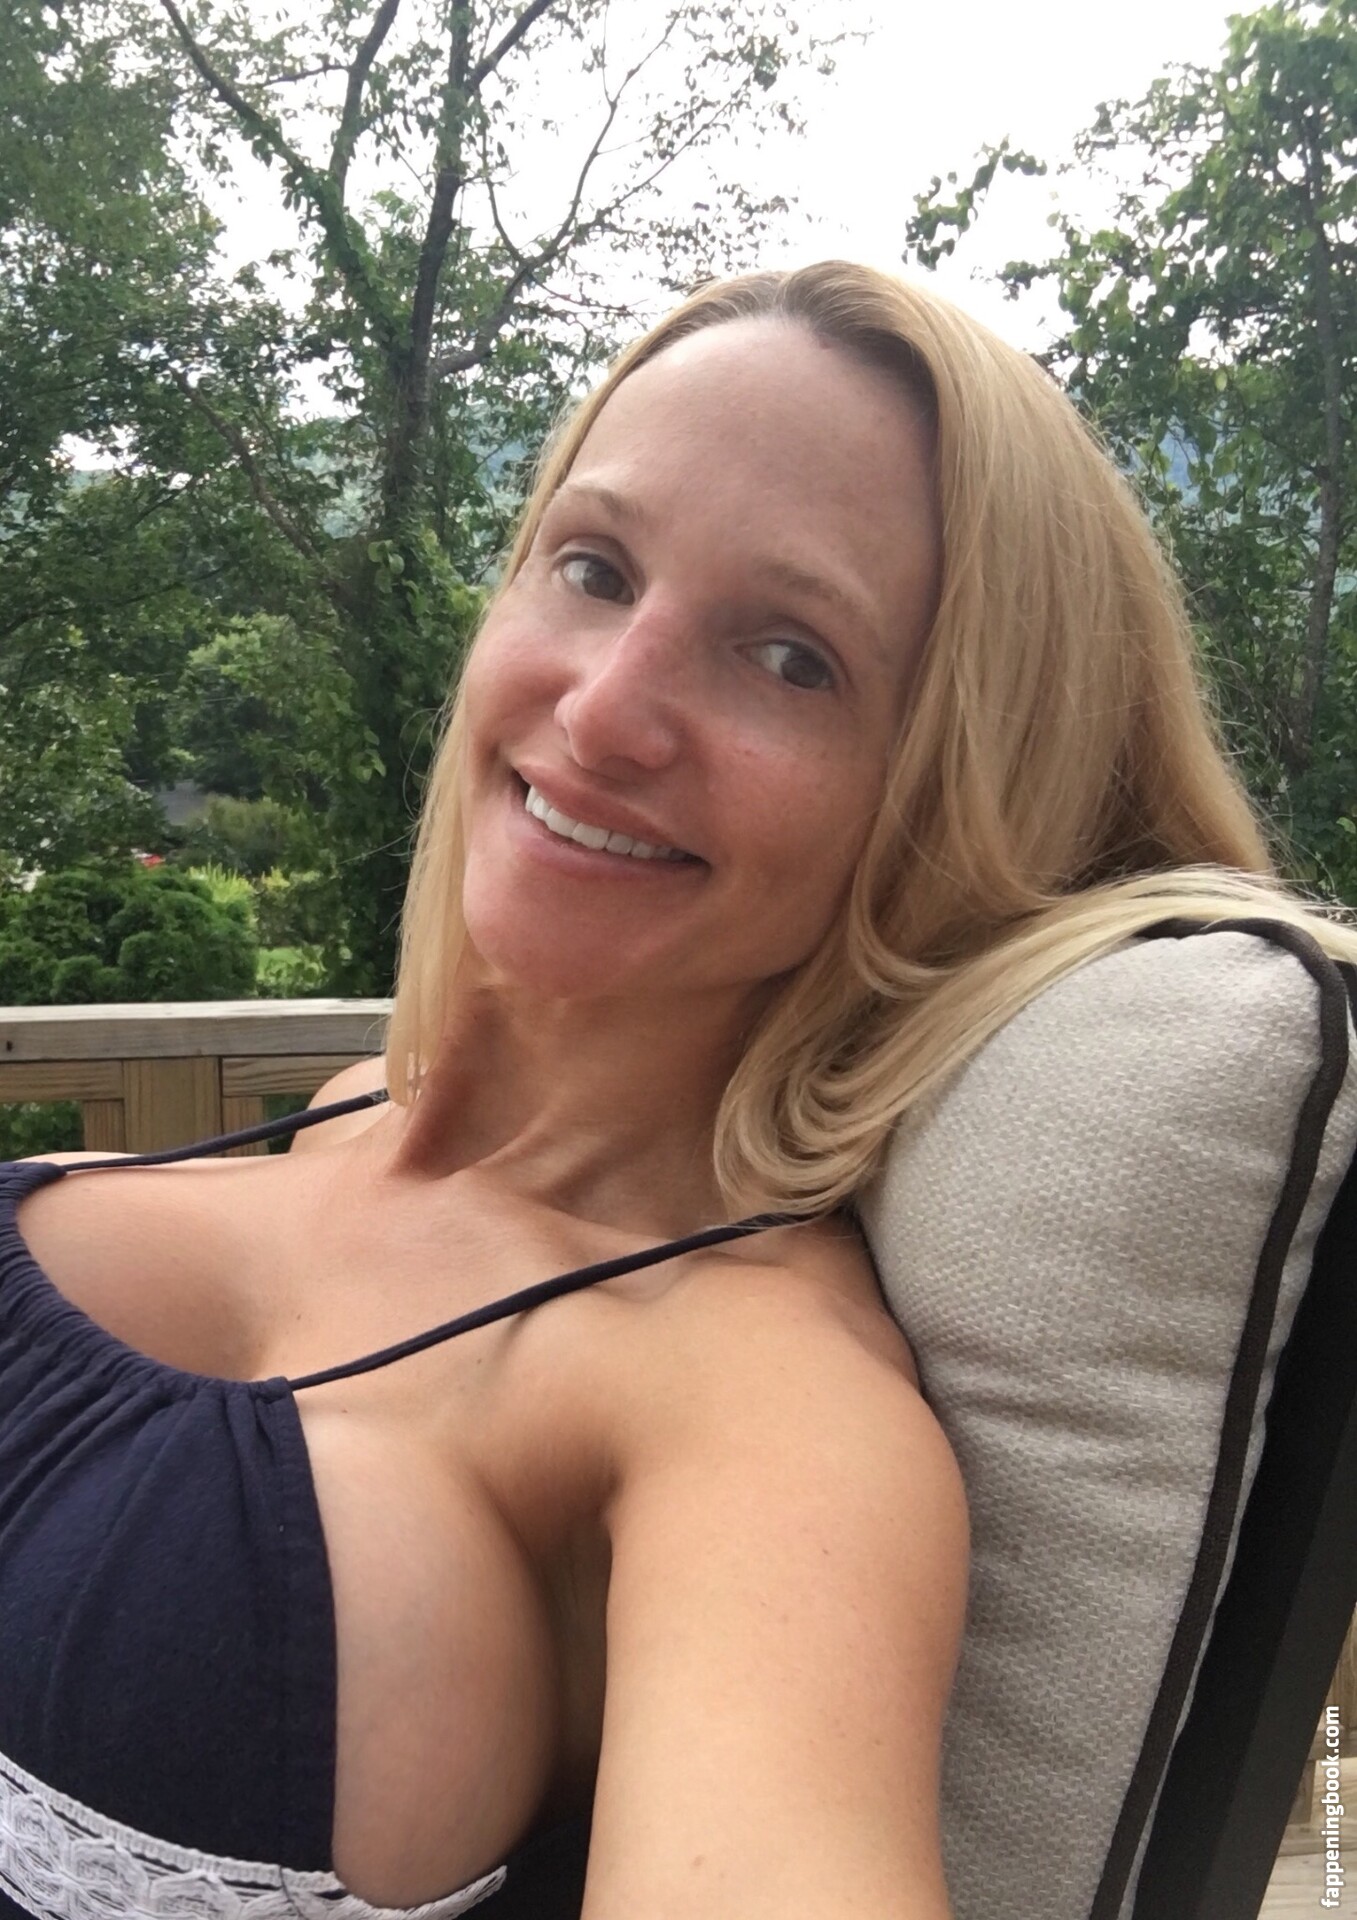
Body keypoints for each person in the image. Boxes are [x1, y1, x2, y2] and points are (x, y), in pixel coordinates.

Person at [2, 260, 1353, 1920]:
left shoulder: (752, 1404)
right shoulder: (350, 1112)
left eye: (790, 658)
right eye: (592, 568)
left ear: (951, 802)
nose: (604, 709)